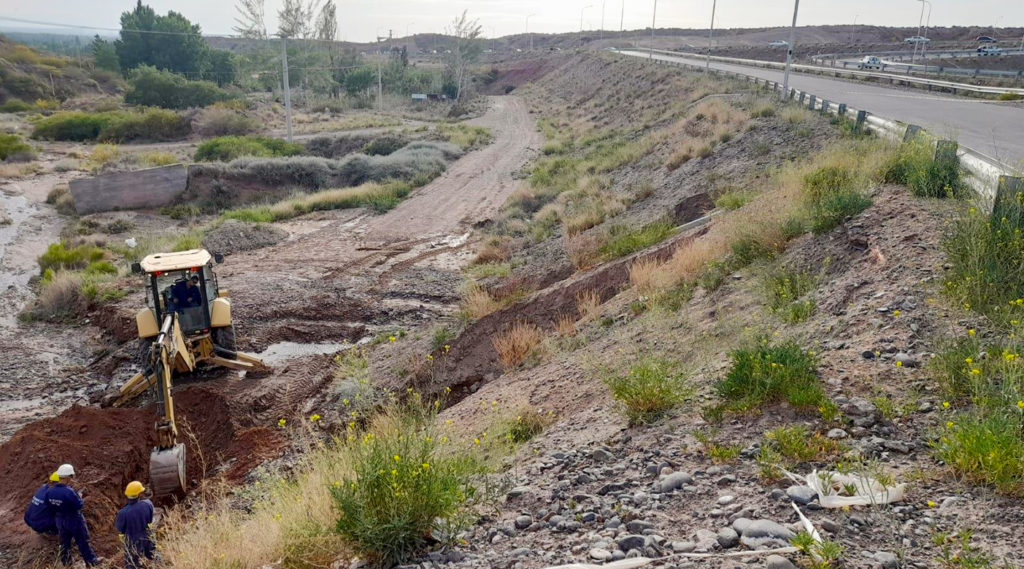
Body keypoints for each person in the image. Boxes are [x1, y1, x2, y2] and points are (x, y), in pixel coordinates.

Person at [47, 463, 100, 567]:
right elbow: (79, 505)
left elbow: (49, 505)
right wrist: (79, 496)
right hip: (74, 520)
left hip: (60, 520)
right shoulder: (69, 492)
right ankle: (91, 561)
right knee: (83, 541)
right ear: (68, 477)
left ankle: (67, 564)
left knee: (64, 543)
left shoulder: (49, 491)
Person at [115, 481, 155, 569]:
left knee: (131, 562)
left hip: (132, 540)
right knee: (154, 555)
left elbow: (120, 528)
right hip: (148, 535)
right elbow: (151, 519)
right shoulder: (148, 504)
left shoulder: (123, 513)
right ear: (139, 494)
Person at [24, 472, 59, 536]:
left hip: (28, 519)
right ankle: (52, 532)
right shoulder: (53, 494)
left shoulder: (43, 487)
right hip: (39, 524)